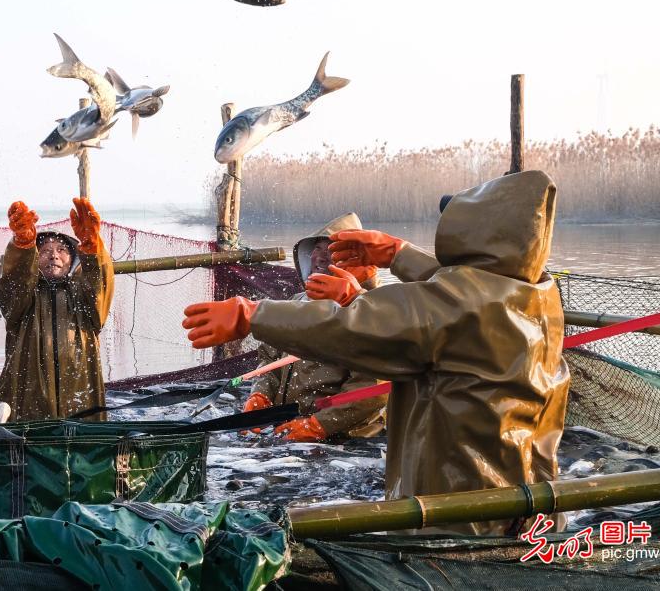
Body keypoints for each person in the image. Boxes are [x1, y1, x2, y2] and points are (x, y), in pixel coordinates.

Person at [183, 170, 567, 535]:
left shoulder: (454, 306)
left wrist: (251, 314)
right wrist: (397, 253)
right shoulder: (537, 293)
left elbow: (348, 328)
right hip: (526, 499)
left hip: (461, 509)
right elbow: (459, 289)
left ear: (476, 235)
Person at [243, 213, 387, 442]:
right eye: (317, 249)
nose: (321, 257)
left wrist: (319, 425)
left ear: (354, 259)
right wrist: (260, 394)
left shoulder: (375, 311)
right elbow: (270, 358)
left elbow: (373, 388)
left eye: (332, 250)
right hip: (289, 428)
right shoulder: (294, 302)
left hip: (349, 442)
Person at [0, 198, 114, 421]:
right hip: (27, 405)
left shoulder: (83, 296)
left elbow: (100, 286)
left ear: (73, 259)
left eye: (61, 250)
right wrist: (22, 247)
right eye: (44, 250)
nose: (54, 255)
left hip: (82, 402)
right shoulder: (23, 299)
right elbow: (12, 284)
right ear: (34, 259)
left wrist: (92, 247)